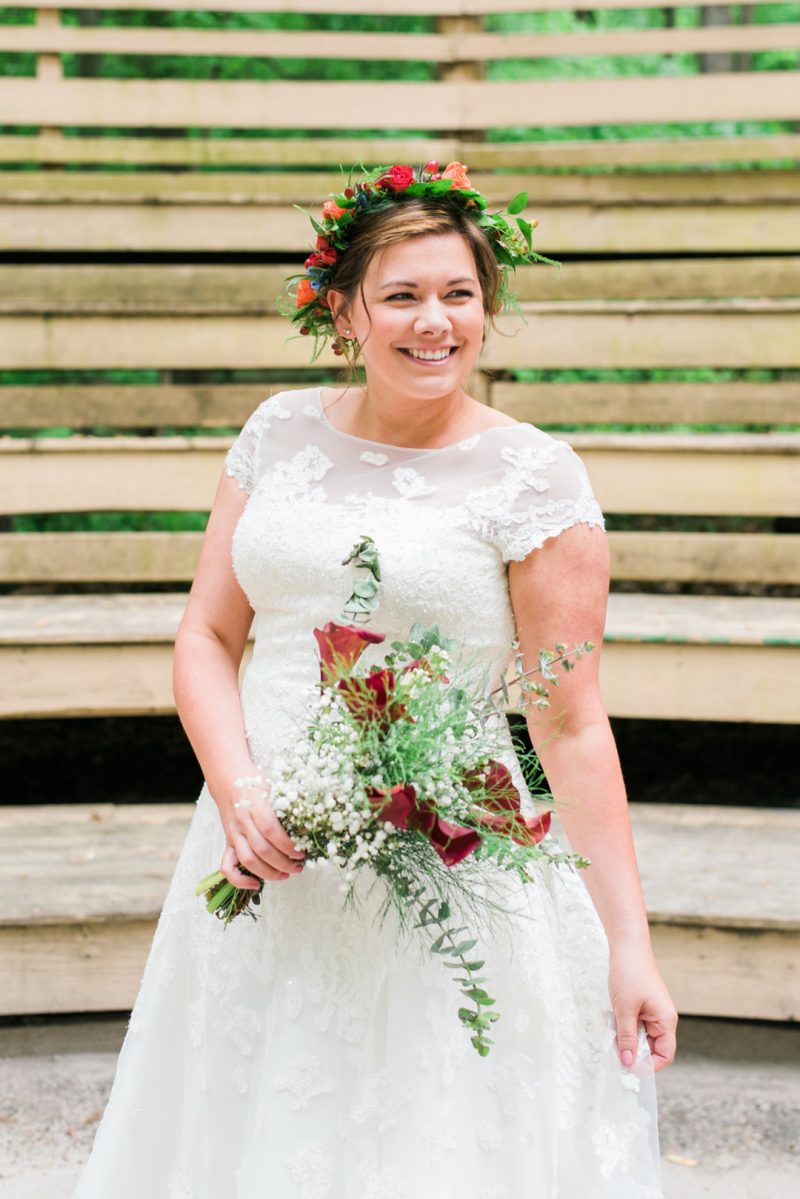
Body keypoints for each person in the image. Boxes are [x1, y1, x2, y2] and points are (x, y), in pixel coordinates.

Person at [70, 162, 677, 1197]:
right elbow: (208, 637)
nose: (432, 321)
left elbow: (566, 724)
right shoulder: (276, 433)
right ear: (343, 309)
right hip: (266, 851)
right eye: (400, 295)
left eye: (458, 294)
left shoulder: (535, 477)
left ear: (488, 306)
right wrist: (238, 790)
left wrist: (630, 943)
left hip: (453, 860)